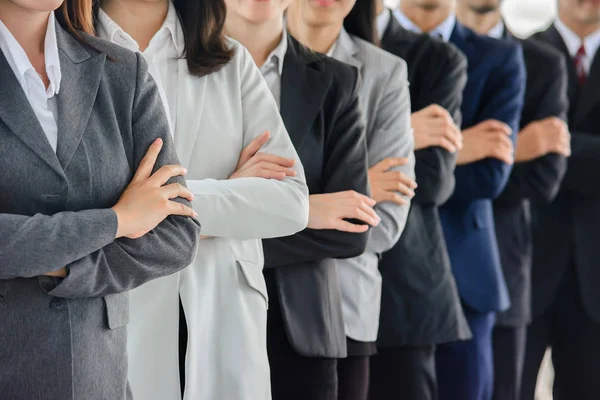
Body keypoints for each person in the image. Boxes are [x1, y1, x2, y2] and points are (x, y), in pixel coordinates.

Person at [96, 1, 311, 399]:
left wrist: (158, 207)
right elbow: (77, 213)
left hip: (224, 318)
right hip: (115, 319)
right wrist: (231, 192)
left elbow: (291, 200)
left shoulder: (231, 61)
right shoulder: (66, 58)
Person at [0, 1, 201, 399]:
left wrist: (60, 267)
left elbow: (177, 233)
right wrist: (115, 221)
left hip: (97, 380)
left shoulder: (122, 71)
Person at [225, 1, 383, 398]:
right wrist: (306, 211)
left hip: (302, 331)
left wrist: (224, 227)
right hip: (198, 319)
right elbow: (170, 214)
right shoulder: (175, 70)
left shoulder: (335, 81)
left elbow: (351, 229)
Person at [391, 1, 526, 399]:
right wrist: (457, 145)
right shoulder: (367, 42)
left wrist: (401, 155)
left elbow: (490, 176)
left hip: (466, 270)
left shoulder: (499, 56)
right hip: (386, 268)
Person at [287, 1, 416, 398]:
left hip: (343, 310)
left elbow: (385, 224)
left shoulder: (385, 71)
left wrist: (260, 217)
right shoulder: (236, 55)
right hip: (236, 300)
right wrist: (344, 196)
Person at [456, 2, 571, 399]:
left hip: (500, 269)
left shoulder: (541, 63)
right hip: (414, 271)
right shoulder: (413, 52)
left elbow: (543, 181)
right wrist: (513, 148)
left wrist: (480, 160)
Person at [369, 1, 471, 399]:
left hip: (403, 289)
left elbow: (431, 180)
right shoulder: (282, 45)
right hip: (303, 284)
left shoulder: (437, 58)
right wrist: (402, 129)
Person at [522, 0, 600, 398]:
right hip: (525, 264)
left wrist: (548, 147)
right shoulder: (520, 53)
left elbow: (533, 154)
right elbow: (509, 161)